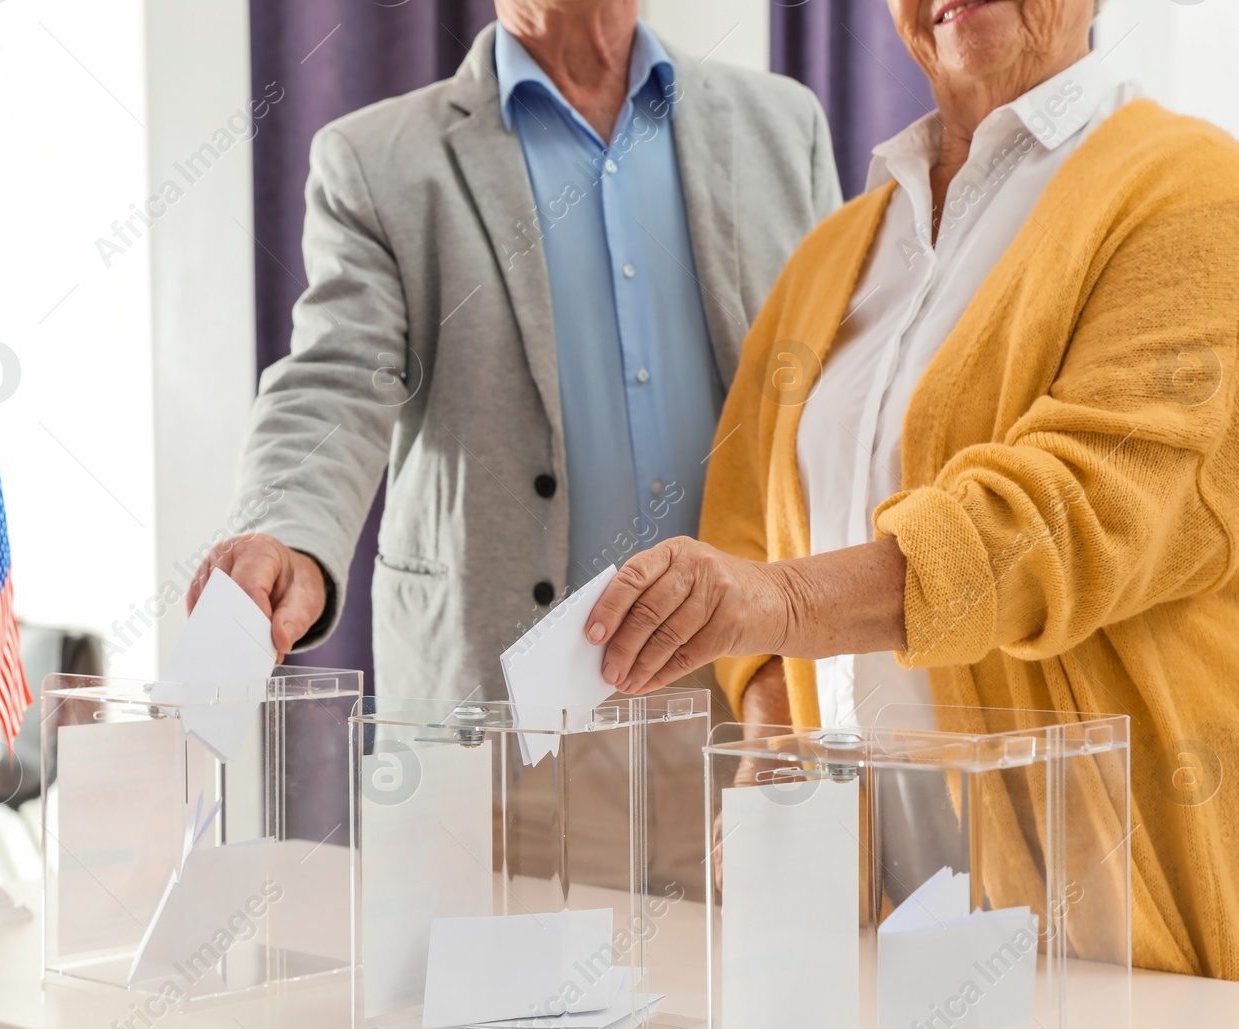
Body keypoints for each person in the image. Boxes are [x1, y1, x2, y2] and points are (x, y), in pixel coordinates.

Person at [585, 0, 1239, 996]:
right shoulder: (836, 251)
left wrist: (777, 597)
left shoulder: (1191, 189)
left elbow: (1084, 504)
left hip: (1140, 854)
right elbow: (747, 509)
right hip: (887, 871)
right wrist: (772, 741)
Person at [189, 0, 840, 705]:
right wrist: (288, 537)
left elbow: (840, 389)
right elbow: (337, 380)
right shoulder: (378, 159)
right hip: (493, 708)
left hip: (748, 698)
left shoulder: (784, 125)